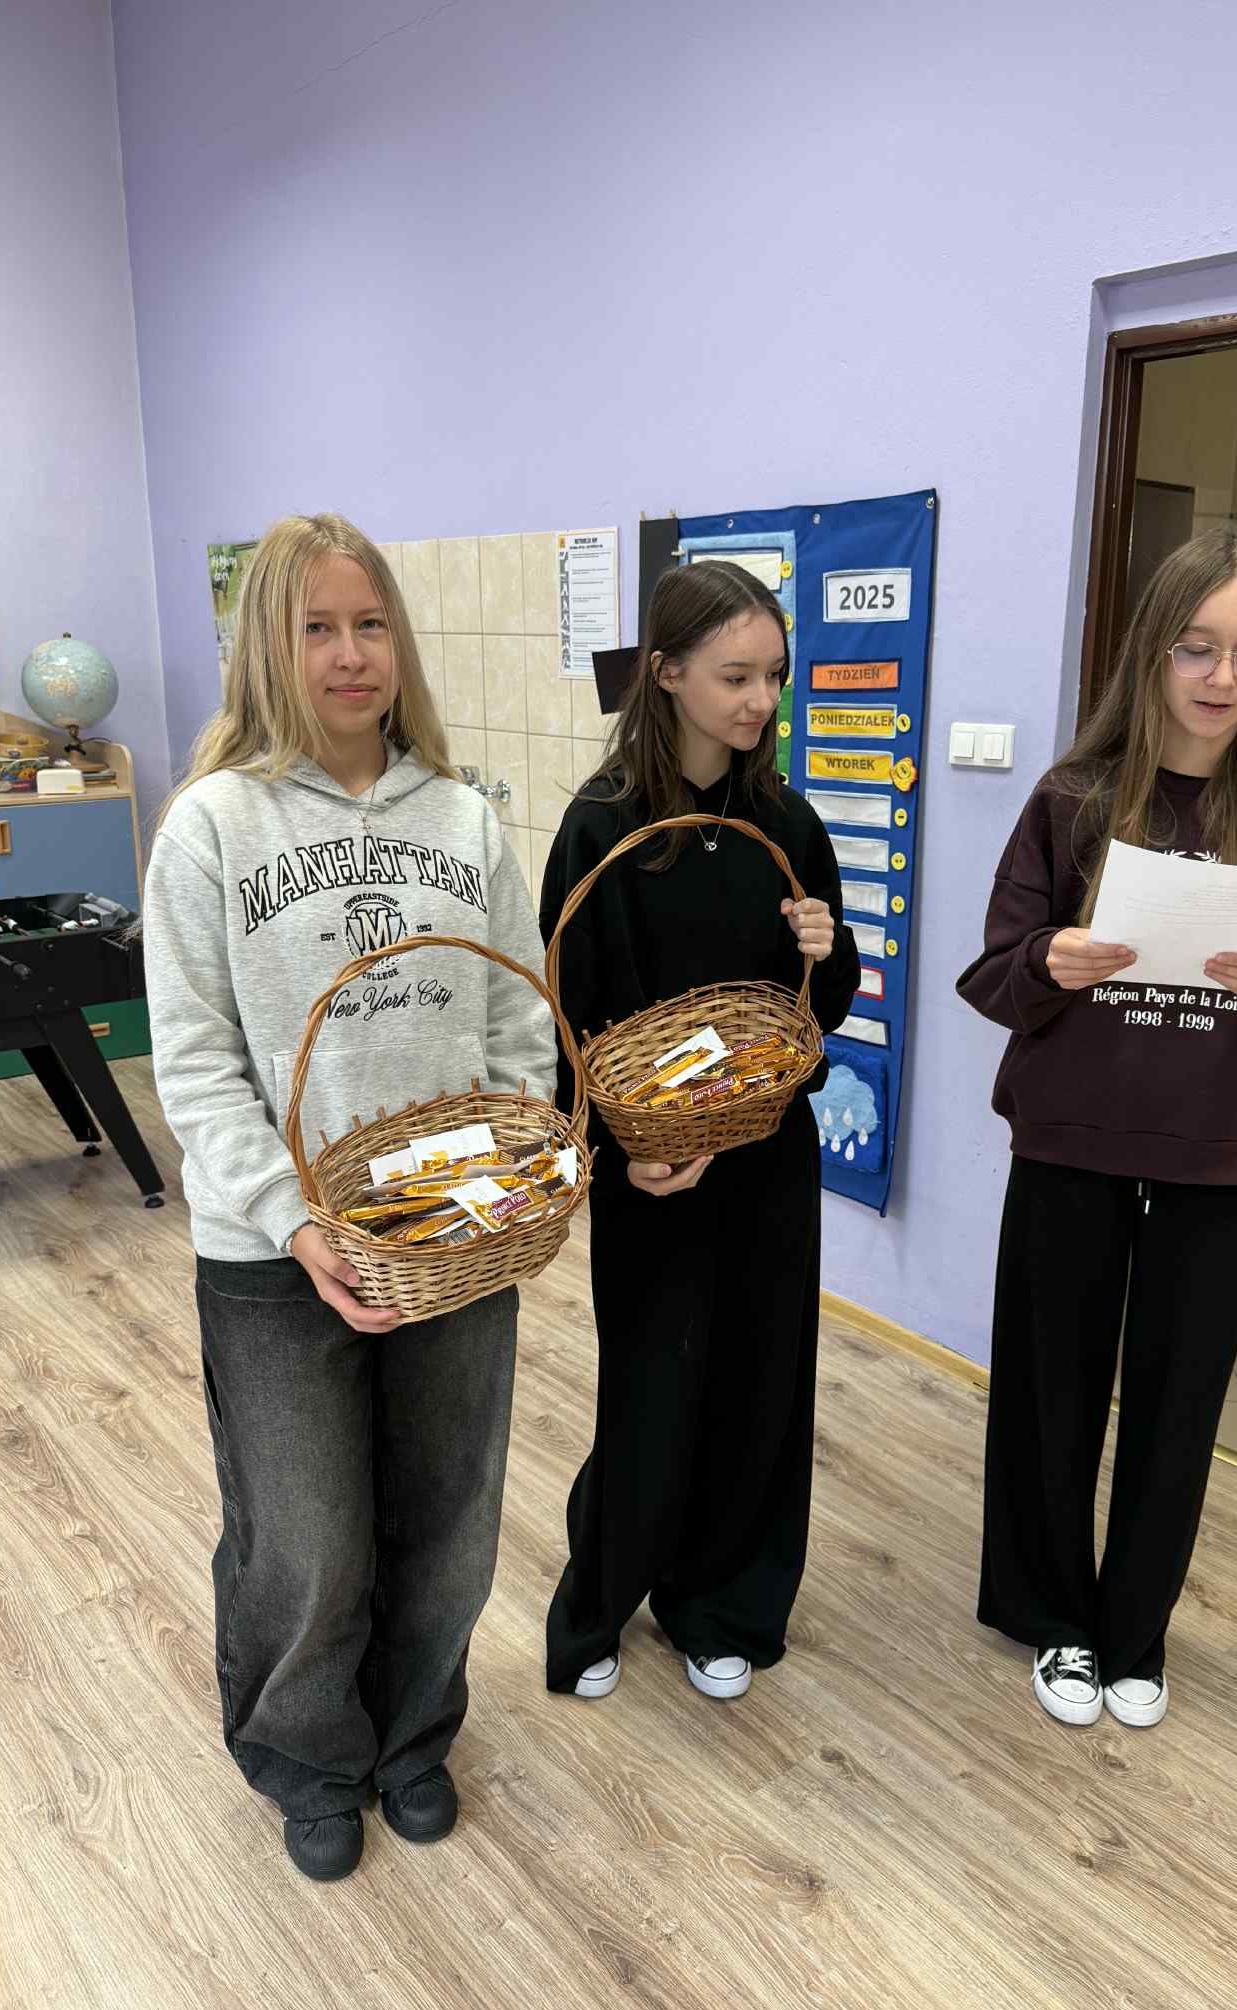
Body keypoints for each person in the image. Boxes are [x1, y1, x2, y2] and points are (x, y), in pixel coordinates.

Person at [142, 514, 555, 1880]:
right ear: (268, 647)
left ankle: (414, 1733)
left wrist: (510, 1173)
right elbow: (195, 1063)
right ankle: (309, 1752)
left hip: (450, 1236)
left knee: (448, 1513)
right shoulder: (211, 827)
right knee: (306, 1530)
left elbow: (518, 1024)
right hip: (274, 1253)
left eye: (370, 623)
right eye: (315, 627)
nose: (349, 653)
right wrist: (295, 1217)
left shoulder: (465, 816)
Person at [956, 526, 1237, 1731]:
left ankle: (1133, 1629)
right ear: (1150, 650)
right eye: (1196, 646)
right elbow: (992, 975)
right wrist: (1052, 959)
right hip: (1071, 1143)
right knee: (1050, 1394)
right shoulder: (1073, 798)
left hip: (1218, 1155)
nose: (1220, 676)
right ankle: (1054, 1616)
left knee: (1178, 1404)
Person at [541, 559, 861, 1702]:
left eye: (774, 675)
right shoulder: (602, 825)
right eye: (735, 675)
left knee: (761, 1382)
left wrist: (828, 949)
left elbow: (819, 1012)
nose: (760, 700)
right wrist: (615, 1151)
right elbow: (566, 1012)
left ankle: (724, 1601)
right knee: (653, 1384)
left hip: (766, 1153)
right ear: (666, 672)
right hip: (655, 1165)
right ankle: (599, 1601)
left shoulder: (788, 822)